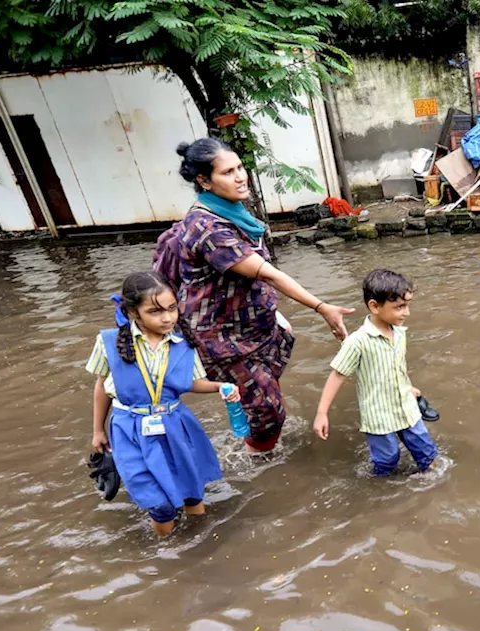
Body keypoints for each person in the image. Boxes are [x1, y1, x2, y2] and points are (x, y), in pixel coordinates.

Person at [153, 138, 355, 454]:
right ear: (204, 181)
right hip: (222, 338)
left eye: (240, 167)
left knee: (273, 364)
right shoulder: (206, 226)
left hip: (252, 324)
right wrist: (321, 306)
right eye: (228, 172)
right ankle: (256, 460)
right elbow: (267, 273)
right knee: (269, 409)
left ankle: (247, 410)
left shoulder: (234, 212)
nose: (240, 176)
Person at [87, 272, 240, 536]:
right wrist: (98, 430)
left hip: (175, 424)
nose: (167, 318)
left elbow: (191, 382)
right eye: (155, 311)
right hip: (129, 429)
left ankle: (199, 546)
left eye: (172, 309)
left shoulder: (183, 343)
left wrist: (219, 387)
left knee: (192, 492)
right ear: (133, 312)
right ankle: (168, 551)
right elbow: (102, 386)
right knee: (158, 505)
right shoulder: (109, 343)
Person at [313, 269, 438, 476]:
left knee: (428, 453)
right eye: (399, 307)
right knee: (387, 461)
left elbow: (397, 366)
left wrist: (409, 386)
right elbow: (337, 375)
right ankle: (382, 491)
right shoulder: (357, 342)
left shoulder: (399, 332)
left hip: (406, 407)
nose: (407, 313)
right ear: (374, 306)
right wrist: (321, 413)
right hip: (378, 416)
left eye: (407, 305)